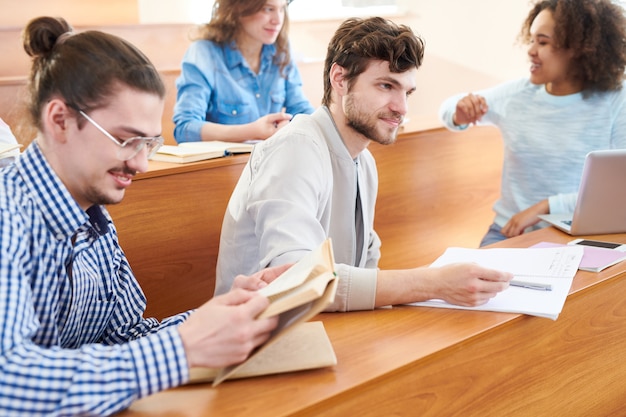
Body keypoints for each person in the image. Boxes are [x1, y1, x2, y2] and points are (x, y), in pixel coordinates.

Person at [0, 16, 291, 416]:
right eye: (125, 140)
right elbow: (8, 380)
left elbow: (128, 337)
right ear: (60, 120)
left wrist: (225, 314)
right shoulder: (7, 215)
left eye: (149, 143)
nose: (141, 163)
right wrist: (184, 347)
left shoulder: (95, 218)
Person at [215, 16, 513, 312]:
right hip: (257, 341)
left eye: (407, 92)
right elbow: (298, 280)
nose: (402, 108)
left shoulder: (364, 161)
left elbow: (366, 269)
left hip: (326, 328)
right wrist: (433, 283)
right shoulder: (296, 148)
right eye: (386, 86)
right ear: (340, 79)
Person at [439, 0, 626, 247]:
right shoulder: (517, 95)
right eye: (531, 40)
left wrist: (546, 206)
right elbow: (449, 107)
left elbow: (619, 189)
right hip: (511, 231)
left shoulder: (616, 99)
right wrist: (459, 113)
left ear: (579, 48)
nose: (531, 50)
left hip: (580, 235)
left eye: (543, 42)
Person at [173, 0, 315, 143]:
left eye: (282, 9)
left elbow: (301, 110)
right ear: (239, 7)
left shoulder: (281, 50)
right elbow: (185, 129)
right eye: (267, 9)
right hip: (226, 164)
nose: (277, 20)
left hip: (272, 161)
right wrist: (253, 131)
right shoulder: (203, 53)